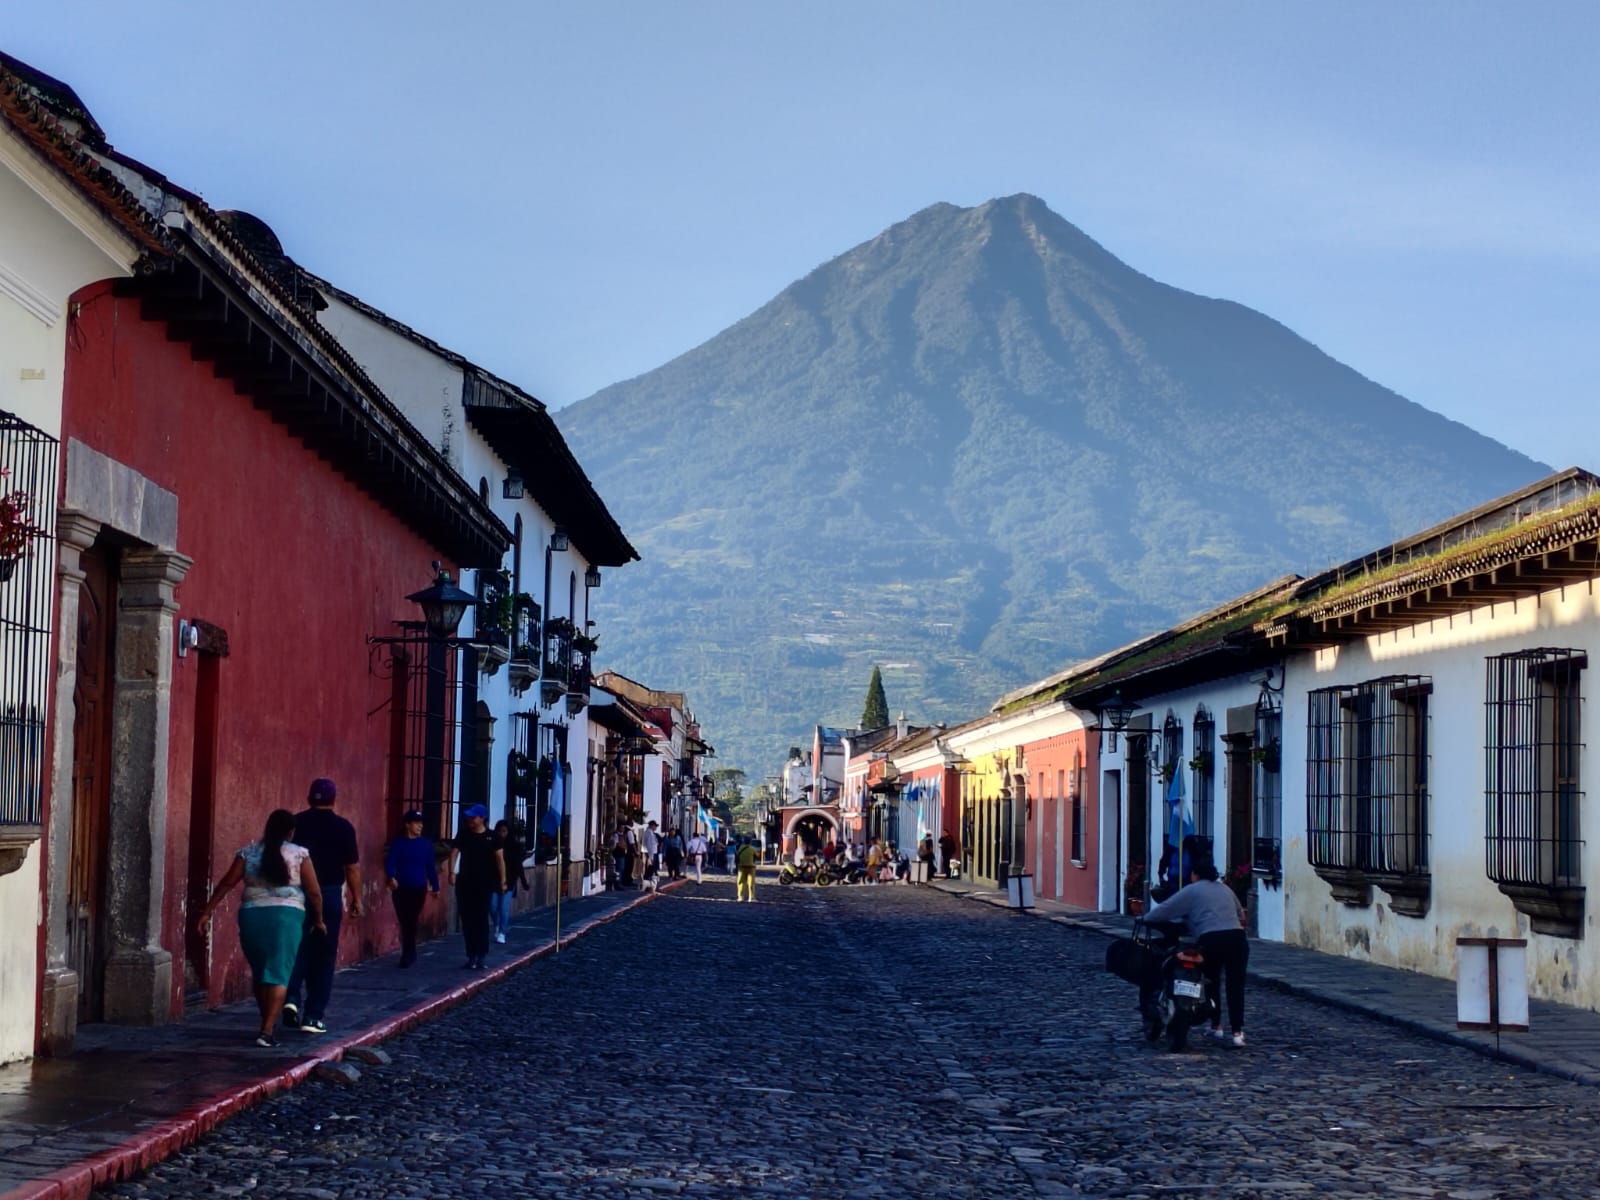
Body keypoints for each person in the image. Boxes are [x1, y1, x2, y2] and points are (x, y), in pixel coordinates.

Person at [194, 808, 324, 1047]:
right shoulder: (299, 855)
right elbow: (314, 892)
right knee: (279, 973)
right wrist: (319, 919)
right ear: (291, 832)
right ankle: (266, 1031)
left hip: (252, 917)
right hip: (286, 917)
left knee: (262, 971)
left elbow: (227, 883)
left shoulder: (248, 853)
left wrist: (206, 912)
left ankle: (267, 1022)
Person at [1142, 859, 1250, 1047]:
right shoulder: (1225, 889)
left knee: (1211, 980)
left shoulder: (1192, 890)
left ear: (1195, 875)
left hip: (1211, 939)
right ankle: (1237, 1033)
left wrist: (1145, 918)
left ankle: (1216, 1026)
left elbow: (1166, 909)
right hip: (1237, 939)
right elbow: (1241, 915)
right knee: (1235, 986)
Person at [283, 777, 360, 1036]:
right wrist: (357, 898)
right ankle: (313, 1016)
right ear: (334, 799)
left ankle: (291, 997)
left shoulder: (296, 823)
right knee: (324, 957)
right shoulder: (343, 827)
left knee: (296, 948)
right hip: (327, 894)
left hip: (296, 893)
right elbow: (352, 868)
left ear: (308, 798)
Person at [448, 804, 505, 969]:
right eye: (469, 818)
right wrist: (451, 872)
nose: (470, 821)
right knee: (467, 919)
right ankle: (471, 954)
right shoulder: (464, 834)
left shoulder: (492, 837)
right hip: (465, 882)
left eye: (473, 818)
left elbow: (499, 860)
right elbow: (454, 852)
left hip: (484, 883)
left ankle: (482, 954)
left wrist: (503, 880)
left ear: (482, 818)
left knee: (480, 919)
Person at [384, 809, 438, 967]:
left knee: (411, 920)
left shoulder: (426, 845)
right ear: (408, 825)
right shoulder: (398, 843)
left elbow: (430, 867)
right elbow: (391, 862)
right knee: (404, 920)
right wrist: (391, 876)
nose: (420, 826)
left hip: (418, 888)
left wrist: (435, 886)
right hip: (401, 888)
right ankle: (409, 951)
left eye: (421, 823)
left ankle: (408, 953)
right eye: (416, 823)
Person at [490, 819, 529, 944]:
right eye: (499, 831)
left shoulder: (514, 846)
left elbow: (518, 866)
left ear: (508, 832)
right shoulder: (492, 844)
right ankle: (497, 924)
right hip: (494, 881)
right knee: (492, 906)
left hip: (509, 881)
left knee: (503, 908)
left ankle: (502, 932)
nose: (501, 834)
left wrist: (523, 882)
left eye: (504, 831)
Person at [736, 836, 759, 902]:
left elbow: (737, 855)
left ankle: (740, 897)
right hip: (751, 867)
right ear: (750, 842)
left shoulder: (740, 848)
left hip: (741, 867)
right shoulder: (752, 849)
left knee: (741, 882)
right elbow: (757, 856)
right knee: (751, 882)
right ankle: (751, 897)